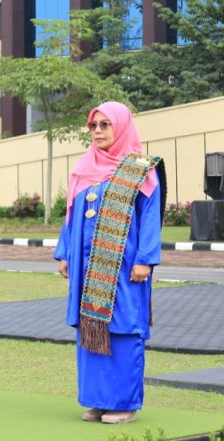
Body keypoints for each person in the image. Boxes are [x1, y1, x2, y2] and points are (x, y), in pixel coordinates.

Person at [54, 101, 162, 425]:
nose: (98, 131)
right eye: (94, 125)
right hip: (87, 266)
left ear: (122, 127)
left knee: (123, 328)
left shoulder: (141, 169)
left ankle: (124, 403)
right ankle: (98, 401)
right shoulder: (85, 166)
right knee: (90, 328)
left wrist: (145, 260)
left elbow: (151, 218)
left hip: (125, 266)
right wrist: (64, 253)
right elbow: (71, 215)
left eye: (105, 125)